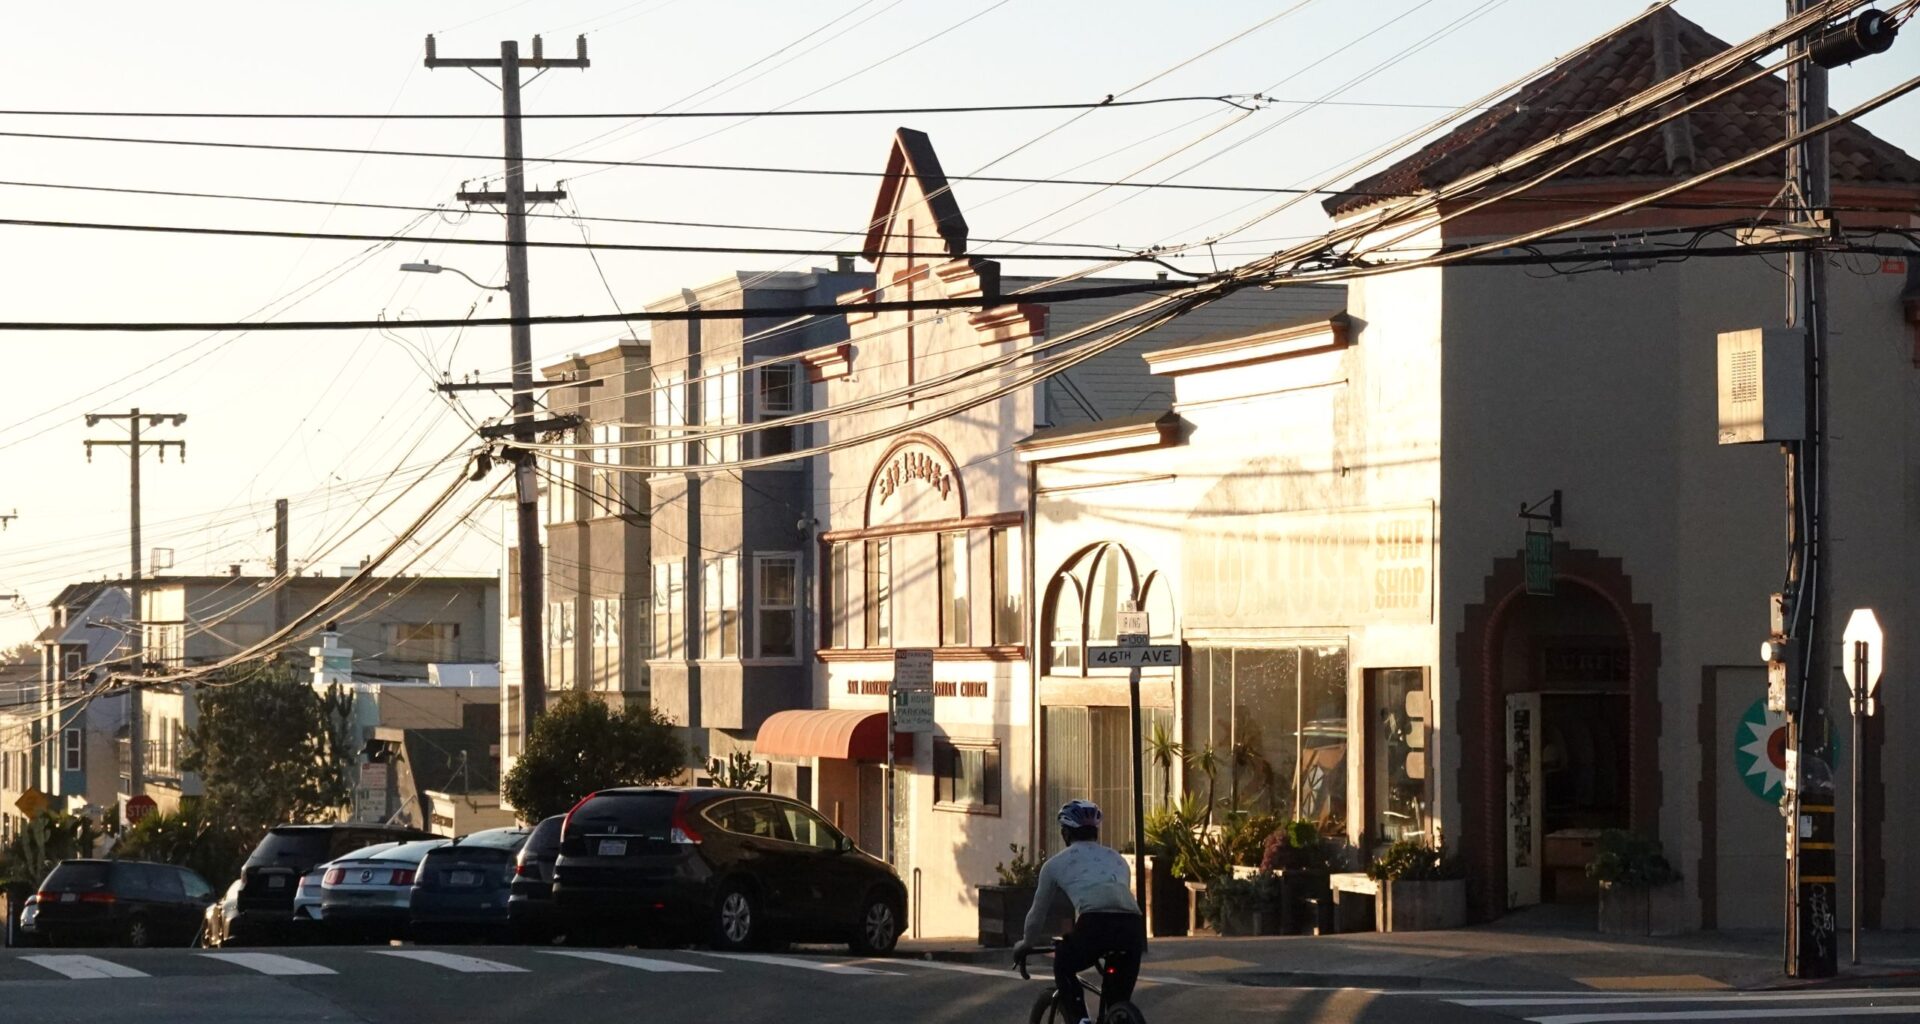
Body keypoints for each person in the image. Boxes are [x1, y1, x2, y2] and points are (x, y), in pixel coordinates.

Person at [1014, 800, 1146, 1024]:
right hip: (1133, 927)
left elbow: (1037, 914)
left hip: (1095, 924)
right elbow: (1113, 898)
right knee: (1117, 1002)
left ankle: (1080, 1020)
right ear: (1095, 831)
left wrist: (1026, 943)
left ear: (1065, 833)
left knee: (1063, 962)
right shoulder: (1118, 860)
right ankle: (1119, 1014)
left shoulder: (1055, 865)